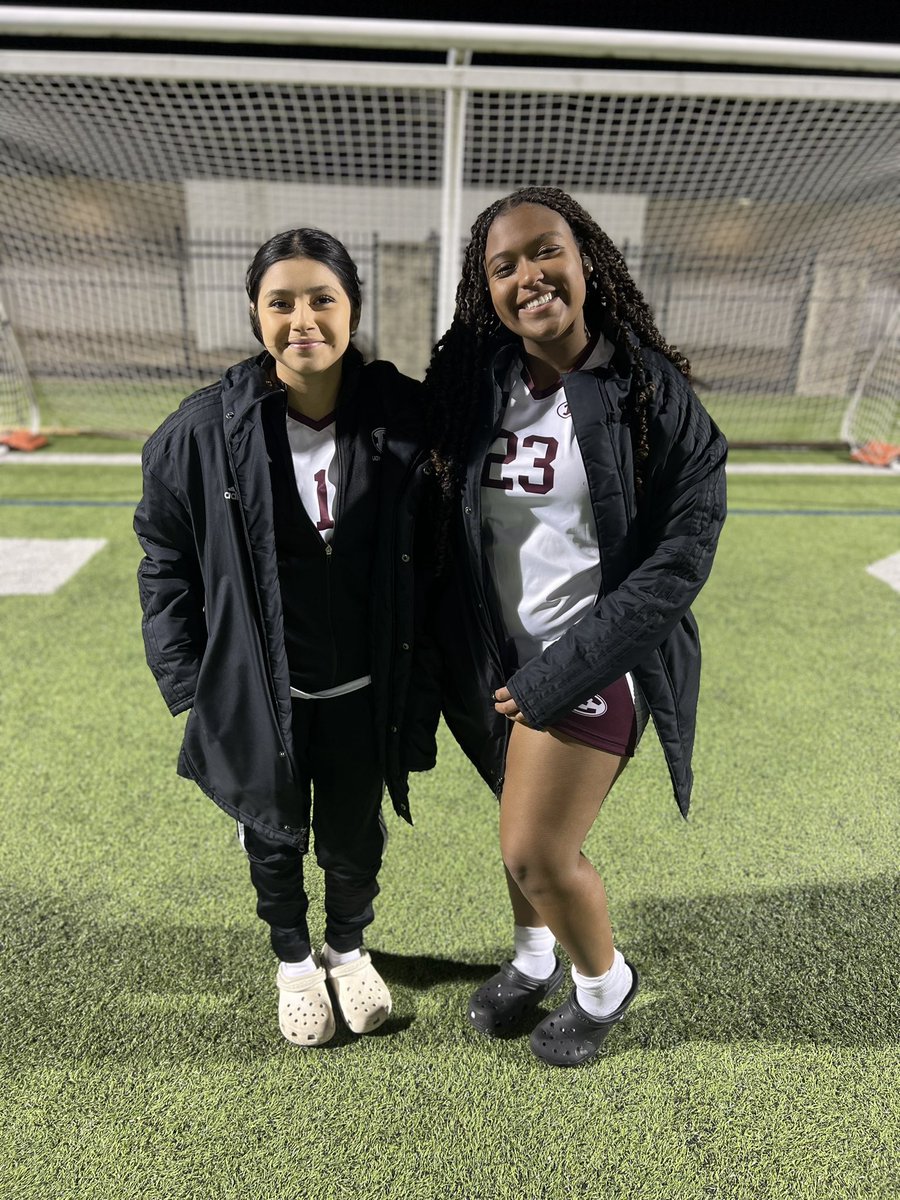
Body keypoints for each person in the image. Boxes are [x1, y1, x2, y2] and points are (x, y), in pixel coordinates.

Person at [424, 187, 727, 1067]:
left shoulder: (651, 394)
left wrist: (566, 671)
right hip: (504, 658)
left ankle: (604, 986)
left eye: (545, 251)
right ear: (487, 290)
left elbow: (679, 559)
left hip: (598, 663)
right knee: (514, 821)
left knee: (536, 852)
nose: (529, 276)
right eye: (504, 265)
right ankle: (531, 959)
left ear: (586, 258)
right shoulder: (479, 387)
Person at [135, 228, 438, 1047]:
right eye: (281, 302)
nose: (303, 319)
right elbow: (165, 562)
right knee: (271, 834)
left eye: (322, 300)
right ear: (255, 315)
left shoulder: (404, 418)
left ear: (352, 310)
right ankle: (295, 963)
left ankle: (347, 948)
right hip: (261, 691)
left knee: (353, 834)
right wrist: (195, 688)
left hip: (363, 689)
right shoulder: (200, 432)